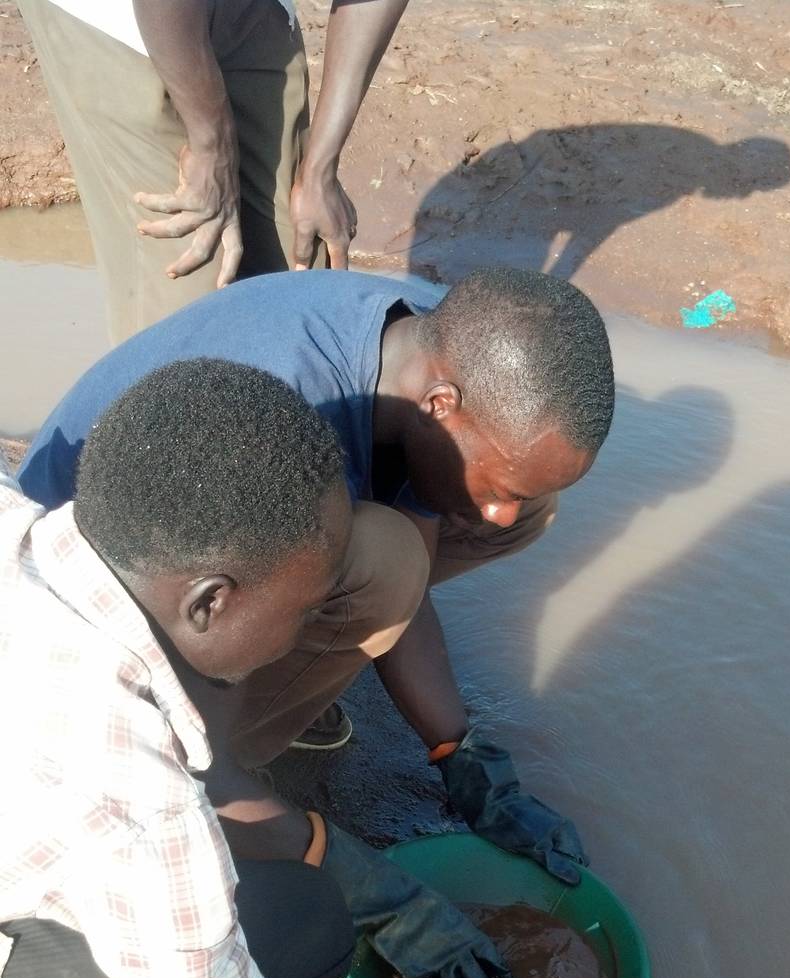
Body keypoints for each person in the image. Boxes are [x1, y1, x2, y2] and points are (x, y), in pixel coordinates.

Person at [0, 358, 630, 978]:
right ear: (211, 599)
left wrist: (389, 886)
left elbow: (180, 767)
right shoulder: (139, 814)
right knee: (298, 931)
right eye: (303, 608)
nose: (307, 635)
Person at [20, 265, 615, 890]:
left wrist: (461, 755)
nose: (500, 511)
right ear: (441, 404)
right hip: (87, 611)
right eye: (499, 489)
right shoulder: (284, 417)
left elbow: (423, 527)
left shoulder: (436, 347)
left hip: (230, 548)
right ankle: (249, 729)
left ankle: (303, 655)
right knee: (384, 565)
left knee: (526, 512)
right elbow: (196, 595)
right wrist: (323, 859)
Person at [16, 0, 409, 342]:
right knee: (188, 309)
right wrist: (213, 147)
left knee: (302, 276)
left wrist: (320, 168)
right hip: (116, 16)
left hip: (249, 10)